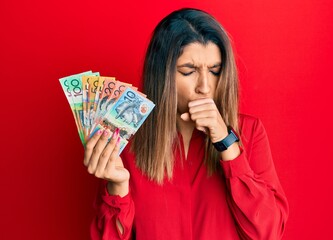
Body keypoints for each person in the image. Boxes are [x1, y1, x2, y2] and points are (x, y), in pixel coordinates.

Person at [83, 8, 289, 240]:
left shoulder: (250, 132)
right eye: (188, 71)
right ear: (162, 75)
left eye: (215, 71)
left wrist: (227, 143)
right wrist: (117, 187)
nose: (205, 86)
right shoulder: (127, 139)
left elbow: (268, 233)